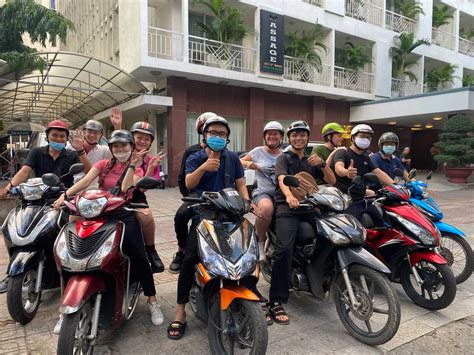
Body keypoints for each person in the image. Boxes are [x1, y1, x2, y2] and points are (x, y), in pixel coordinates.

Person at [52, 130, 164, 328]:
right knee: (72, 250)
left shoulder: (136, 166)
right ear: (111, 149)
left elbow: (125, 189)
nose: (120, 150)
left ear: (131, 147)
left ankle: (152, 300)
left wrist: (132, 165)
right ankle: (66, 306)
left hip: (122, 212)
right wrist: (64, 196)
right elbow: (85, 181)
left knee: (138, 253)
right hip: (99, 211)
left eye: (124, 146)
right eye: (116, 147)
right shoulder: (103, 164)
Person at [167, 116, 249, 340]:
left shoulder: (233, 158)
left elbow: (241, 184)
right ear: (204, 136)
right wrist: (204, 166)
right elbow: (189, 184)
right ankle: (180, 310)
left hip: (230, 214)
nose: (217, 137)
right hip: (203, 215)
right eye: (213, 133)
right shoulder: (195, 157)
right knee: (190, 259)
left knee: (246, 254)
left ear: (227, 138)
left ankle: (249, 297)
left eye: (222, 134)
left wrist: (247, 203)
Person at [0, 120, 92, 293]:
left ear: (66, 139)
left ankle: (68, 268)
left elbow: (89, 171)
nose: (58, 138)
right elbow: (24, 171)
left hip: (63, 199)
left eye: (61, 136)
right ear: (48, 136)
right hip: (36, 198)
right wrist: (8, 187)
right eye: (54, 135)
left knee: (64, 231)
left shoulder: (71, 155)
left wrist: (80, 150)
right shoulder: (36, 152)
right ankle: (11, 272)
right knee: (14, 227)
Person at [268, 120, 336, 325]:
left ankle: (316, 275)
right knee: (284, 250)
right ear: (289, 138)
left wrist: (323, 165)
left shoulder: (312, 160)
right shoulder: (283, 158)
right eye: (295, 135)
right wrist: (289, 196)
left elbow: (332, 181)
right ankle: (276, 301)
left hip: (310, 208)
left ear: (307, 138)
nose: (299, 138)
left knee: (330, 238)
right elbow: (282, 179)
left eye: (303, 135)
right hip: (287, 209)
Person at [170, 112, 216, 273]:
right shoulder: (192, 152)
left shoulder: (224, 151)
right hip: (196, 195)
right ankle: (182, 250)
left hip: (219, 196)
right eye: (210, 131)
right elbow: (183, 177)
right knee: (180, 216)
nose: (214, 135)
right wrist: (188, 195)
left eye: (219, 132)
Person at [331, 124, 394, 225]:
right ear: (353, 138)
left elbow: (378, 172)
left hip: (362, 199)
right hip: (347, 200)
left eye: (368, 137)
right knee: (354, 230)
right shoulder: (344, 152)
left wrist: (396, 186)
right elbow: (338, 168)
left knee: (383, 222)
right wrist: (346, 172)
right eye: (362, 136)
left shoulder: (365, 157)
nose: (365, 139)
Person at [240, 121, 284, 260]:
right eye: (269, 134)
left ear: (281, 137)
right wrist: (248, 163)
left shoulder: (284, 154)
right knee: (266, 209)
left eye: (275, 134)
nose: (272, 136)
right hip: (262, 192)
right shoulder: (257, 151)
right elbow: (239, 161)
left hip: (281, 193)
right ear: (265, 136)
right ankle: (260, 243)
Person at [129, 121, 167, 273]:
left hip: (136, 195)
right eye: (139, 137)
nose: (142, 141)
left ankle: (151, 250)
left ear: (151, 142)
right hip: (116, 192)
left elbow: (143, 188)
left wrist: (151, 168)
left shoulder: (153, 161)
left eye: (146, 139)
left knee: (146, 216)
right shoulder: (122, 152)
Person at [68, 119, 112, 185]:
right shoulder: (71, 147)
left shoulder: (104, 150)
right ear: (84, 132)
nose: (92, 135)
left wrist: (117, 127)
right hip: (72, 188)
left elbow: (118, 150)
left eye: (96, 132)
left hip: (93, 190)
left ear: (101, 135)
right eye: (89, 131)